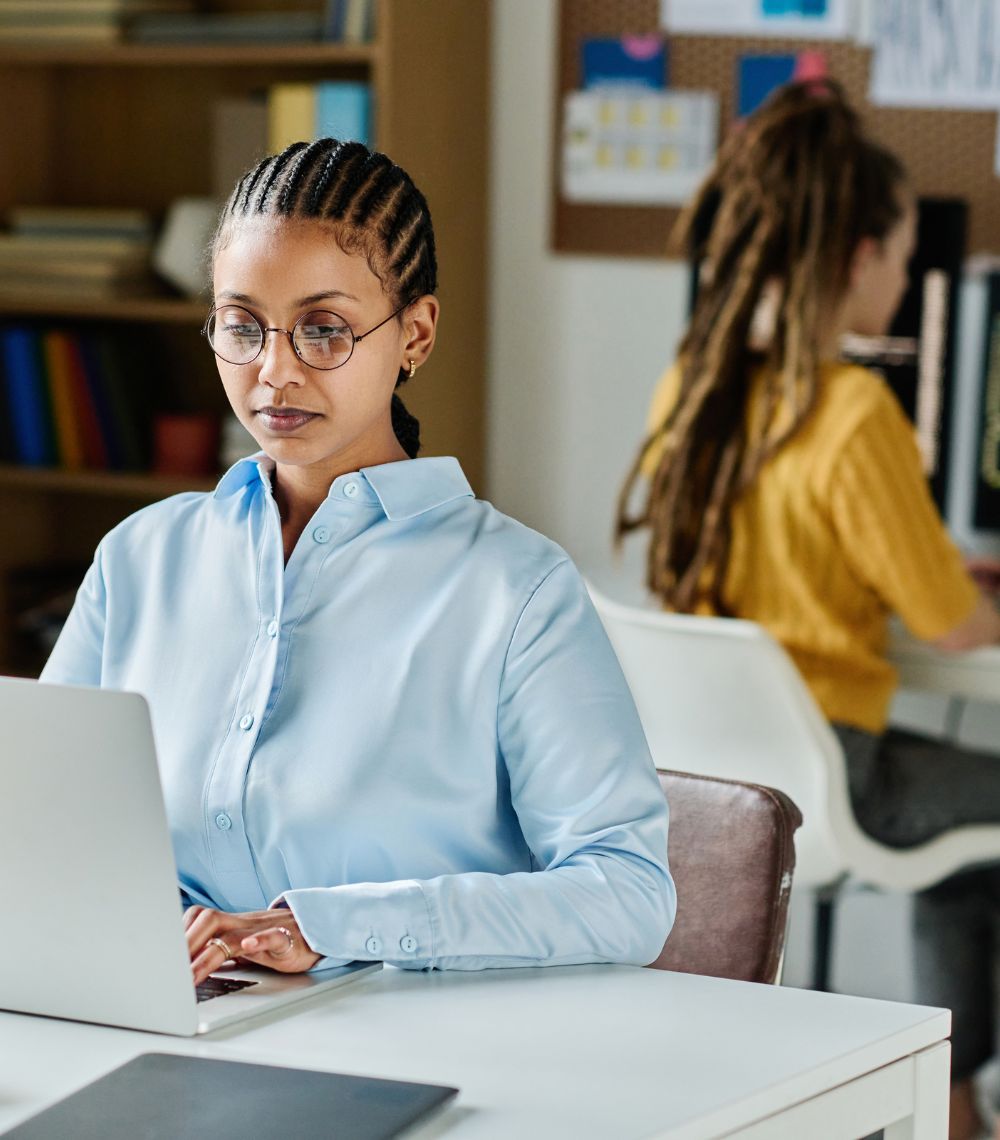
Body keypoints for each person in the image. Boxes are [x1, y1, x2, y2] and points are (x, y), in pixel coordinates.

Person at [42, 138, 674, 987]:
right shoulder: (139, 559)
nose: (274, 372)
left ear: (414, 333)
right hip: (182, 1023)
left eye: (323, 330)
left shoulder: (515, 590)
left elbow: (628, 895)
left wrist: (341, 926)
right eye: (241, 327)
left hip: (422, 1046)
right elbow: (43, 831)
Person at [616, 80, 1000, 1140]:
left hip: (707, 779)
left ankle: (952, 1102)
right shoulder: (854, 409)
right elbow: (951, 627)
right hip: (839, 771)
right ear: (854, 259)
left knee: (972, 845)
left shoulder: (693, 385)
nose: (906, 275)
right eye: (901, 254)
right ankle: (960, 1110)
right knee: (985, 825)